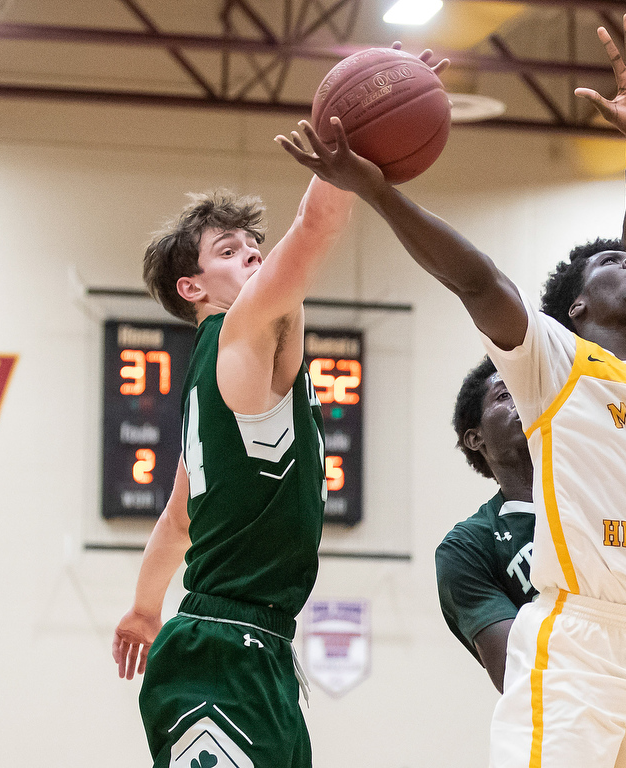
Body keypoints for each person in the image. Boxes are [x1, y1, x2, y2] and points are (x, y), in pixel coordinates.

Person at [280, 13, 626, 768]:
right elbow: (476, 278)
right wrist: (378, 191)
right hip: (577, 643)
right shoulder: (558, 365)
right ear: (578, 311)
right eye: (613, 266)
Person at [110, 169, 358, 762]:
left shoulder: (216, 371)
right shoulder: (240, 329)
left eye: (255, 247)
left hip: (259, 649)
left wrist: (145, 610)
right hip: (222, 652)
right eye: (229, 251)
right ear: (192, 288)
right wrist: (354, 142)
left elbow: (178, 519)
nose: (252, 255)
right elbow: (318, 224)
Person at [438, 357, 626, 768]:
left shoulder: (608, 491)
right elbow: (517, 669)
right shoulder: (468, 545)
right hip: (581, 718)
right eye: (505, 394)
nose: (523, 400)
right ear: (475, 438)